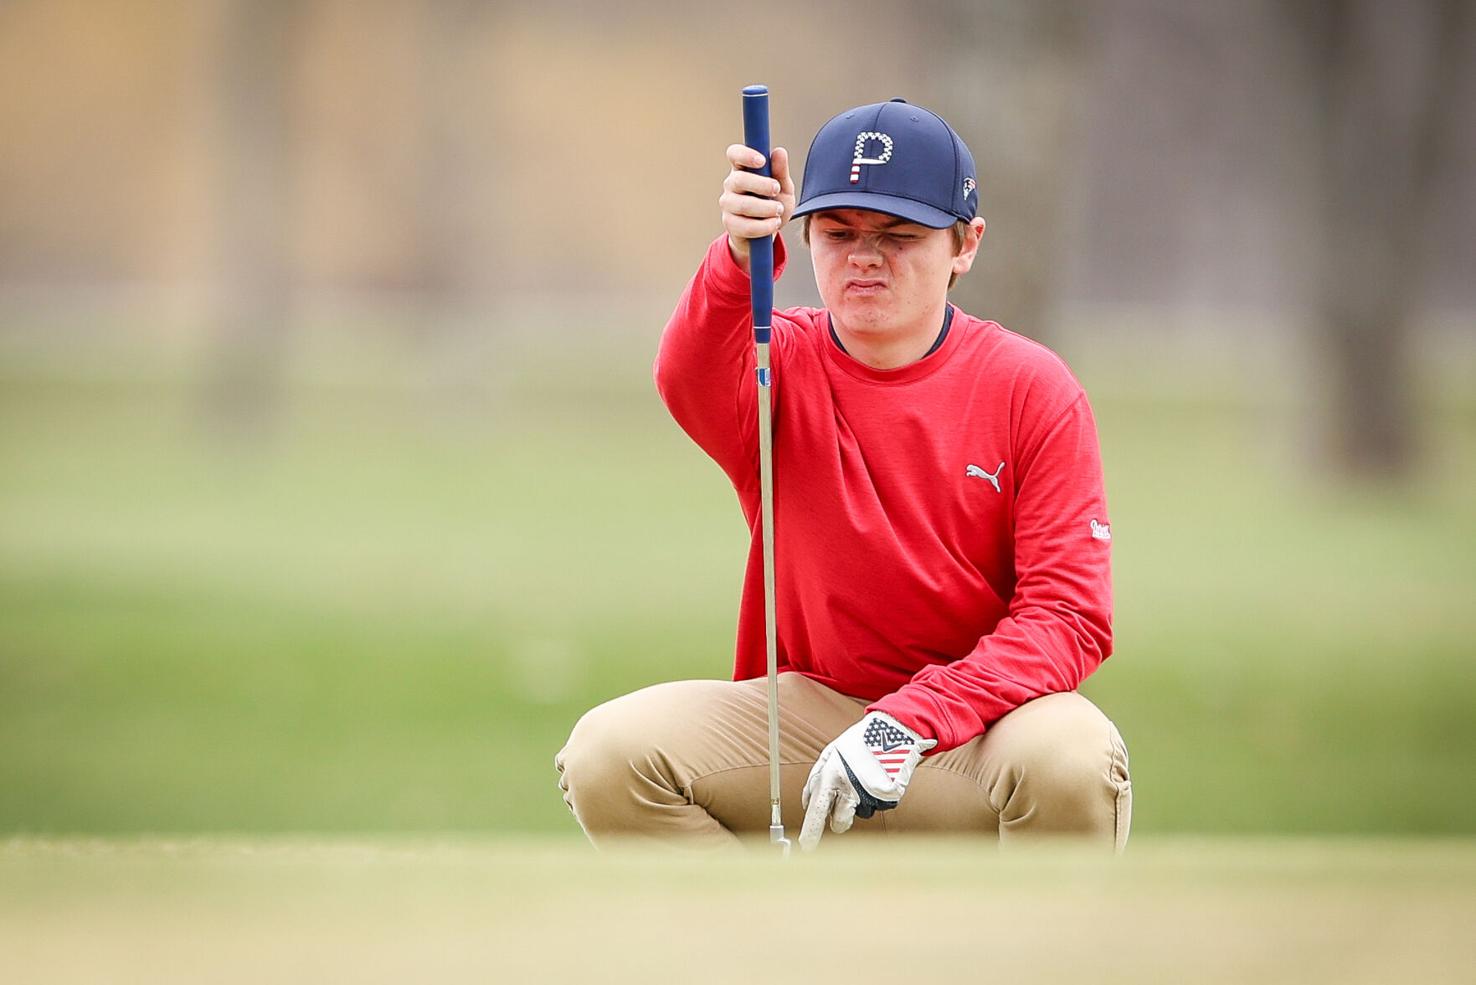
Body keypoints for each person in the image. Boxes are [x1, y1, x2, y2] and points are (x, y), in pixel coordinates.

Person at [556, 98, 1131, 852]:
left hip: (986, 727)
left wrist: (909, 720)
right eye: (838, 231)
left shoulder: (1032, 387)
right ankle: (762, 926)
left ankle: (1012, 930)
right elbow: (687, 375)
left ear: (966, 244)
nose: (864, 256)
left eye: (899, 235)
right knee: (608, 754)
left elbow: (1067, 616)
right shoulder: (777, 362)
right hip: (812, 716)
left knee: (1073, 757)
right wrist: (738, 257)